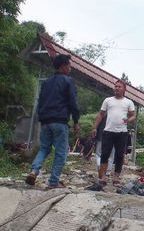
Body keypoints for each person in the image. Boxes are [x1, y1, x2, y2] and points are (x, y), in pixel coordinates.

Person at [25, 54, 80, 188]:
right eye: (69, 65)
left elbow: (40, 102)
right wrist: (76, 121)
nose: (70, 68)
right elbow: (73, 103)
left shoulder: (46, 82)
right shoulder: (68, 81)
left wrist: (42, 118)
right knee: (61, 152)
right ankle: (54, 181)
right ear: (63, 66)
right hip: (60, 121)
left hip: (45, 121)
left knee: (44, 148)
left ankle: (34, 171)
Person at [91, 79, 136, 187]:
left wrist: (128, 120)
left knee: (119, 155)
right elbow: (101, 114)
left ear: (124, 89)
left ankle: (116, 178)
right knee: (104, 154)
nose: (116, 88)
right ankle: (103, 177)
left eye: (119, 87)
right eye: (115, 86)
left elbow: (133, 115)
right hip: (108, 131)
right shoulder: (108, 100)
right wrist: (95, 128)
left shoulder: (128, 102)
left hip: (122, 132)